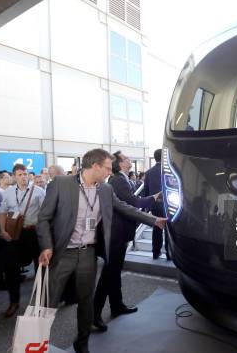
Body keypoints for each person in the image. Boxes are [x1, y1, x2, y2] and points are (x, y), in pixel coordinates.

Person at [37, 149, 167, 353]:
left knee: (86, 302)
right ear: (95, 166)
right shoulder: (61, 184)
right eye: (107, 167)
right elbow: (43, 218)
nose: (110, 171)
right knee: (49, 302)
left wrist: (154, 220)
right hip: (63, 254)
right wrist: (46, 245)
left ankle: (82, 345)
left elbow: (126, 207)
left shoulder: (105, 189)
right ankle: (36, 344)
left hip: (88, 254)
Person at [92, 151, 159, 332]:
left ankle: (116, 305)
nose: (130, 159)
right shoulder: (118, 181)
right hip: (115, 235)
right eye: (127, 158)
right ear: (120, 164)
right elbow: (132, 203)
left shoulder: (118, 180)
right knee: (108, 275)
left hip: (119, 234)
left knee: (113, 273)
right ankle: (94, 314)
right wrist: (153, 198)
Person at [0, 164, 46, 318]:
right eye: (19, 174)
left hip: (34, 233)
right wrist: (2, 230)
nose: (23, 177)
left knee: (40, 268)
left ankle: (40, 302)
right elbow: (3, 212)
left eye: (25, 174)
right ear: (14, 176)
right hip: (15, 234)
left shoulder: (38, 191)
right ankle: (14, 302)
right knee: (11, 268)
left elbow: (45, 215)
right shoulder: (9, 192)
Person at [143, 149, 170, 259]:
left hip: (155, 205)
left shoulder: (149, 172)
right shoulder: (168, 171)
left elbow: (146, 190)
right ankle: (169, 254)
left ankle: (155, 252)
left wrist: (148, 206)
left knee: (157, 229)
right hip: (168, 205)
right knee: (169, 230)